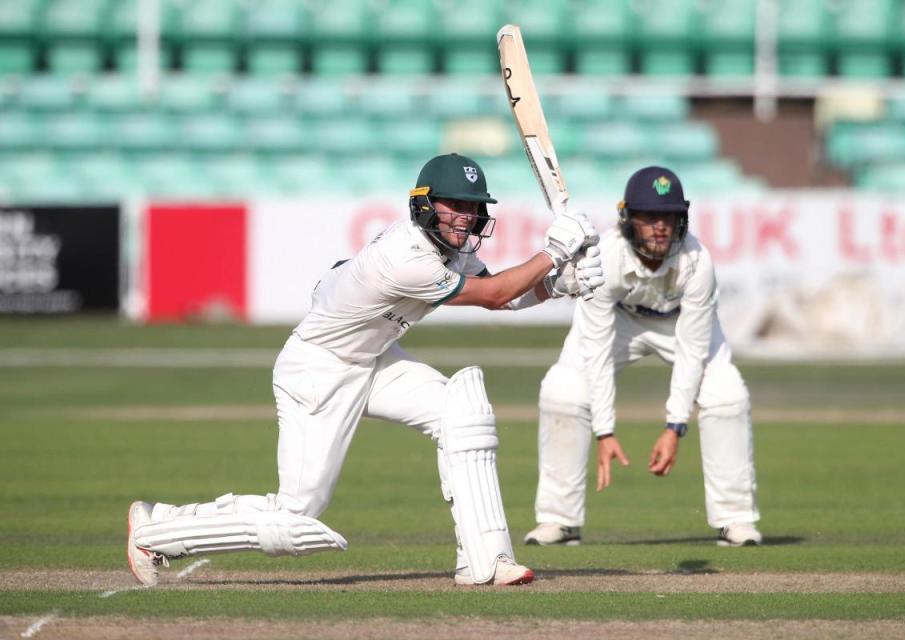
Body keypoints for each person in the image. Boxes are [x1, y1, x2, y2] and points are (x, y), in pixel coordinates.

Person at [127, 153, 604, 587]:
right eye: (454, 205)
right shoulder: (405, 256)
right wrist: (554, 255)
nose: (466, 217)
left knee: (462, 413)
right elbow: (494, 295)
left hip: (373, 359)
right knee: (297, 514)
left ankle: (486, 560)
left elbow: (504, 294)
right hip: (319, 370)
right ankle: (159, 528)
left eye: (473, 207)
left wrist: (560, 285)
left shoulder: (449, 248)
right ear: (424, 205)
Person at [523, 166, 762, 548]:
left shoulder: (698, 262)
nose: (660, 226)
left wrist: (674, 427)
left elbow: (693, 351)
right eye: (649, 217)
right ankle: (559, 519)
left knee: (727, 394)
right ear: (628, 219)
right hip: (620, 323)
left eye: (668, 216)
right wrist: (605, 431)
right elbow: (597, 352)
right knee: (563, 389)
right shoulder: (605, 256)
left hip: (680, 325)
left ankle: (735, 519)